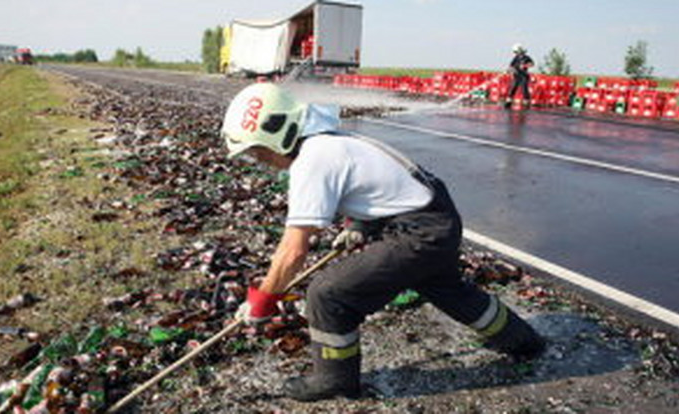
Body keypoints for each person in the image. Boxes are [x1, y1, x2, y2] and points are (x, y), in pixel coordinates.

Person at [222, 83, 546, 402]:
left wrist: (262, 301)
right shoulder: (330, 141)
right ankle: (523, 340)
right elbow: (377, 181)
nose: (261, 160)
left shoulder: (312, 159)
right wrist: (360, 223)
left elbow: (292, 251)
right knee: (448, 290)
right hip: (437, 215)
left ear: (278, 134)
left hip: (419, 231)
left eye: (259, 151)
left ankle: (335, 379)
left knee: (327, 294)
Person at [505, 43, 534, 109]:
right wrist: (509, 70)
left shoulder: (527, 57)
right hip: (516, 76)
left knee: (524, 90)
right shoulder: (515, 58)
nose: (515, 53)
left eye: (516, 52)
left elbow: (532, 64)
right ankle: (508, 104)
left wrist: (524, 66)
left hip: (524, 76)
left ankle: (526, 105)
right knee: (512, 89)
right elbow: (511, 66)